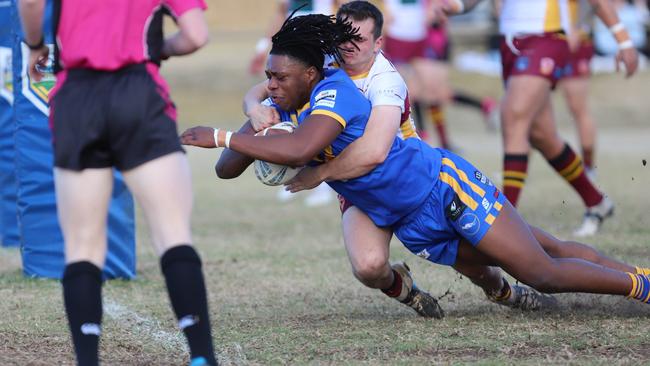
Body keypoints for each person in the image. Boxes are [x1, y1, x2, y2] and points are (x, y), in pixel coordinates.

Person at [181, 13, 650, 317]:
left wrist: (223, 134)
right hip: (409, 220)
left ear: (309, 74)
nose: (272, 85)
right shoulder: (287, 96)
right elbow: (227, 169)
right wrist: (251, 119)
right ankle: (509, 289)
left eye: (279, 79)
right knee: (537, 250)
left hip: (442, 188)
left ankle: (641, 285)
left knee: (542, 269)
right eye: (268, 79)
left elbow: (302, 149)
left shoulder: (336, 94)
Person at [242, 1, 554, 315]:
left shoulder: (384, 79)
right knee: (368, 266)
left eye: (358, 38)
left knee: (477, 260)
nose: (348, 45)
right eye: (342, 36)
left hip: (404, 178)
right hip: (357, 187)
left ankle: (505, 289)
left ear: (378, 43)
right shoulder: (325, 65)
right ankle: (407, 291)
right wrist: (253, 105)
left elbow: (375, 151)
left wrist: (320, 174)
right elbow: (273, 83)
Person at [19, 1, 218, 365]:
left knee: (82, 246)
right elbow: (196, 35)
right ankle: (202, 356)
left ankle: (88, 360)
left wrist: (35, 46)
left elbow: (30, 3)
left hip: (76, 97)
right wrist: (160, 48)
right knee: (172, 233)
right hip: (138, 92)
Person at [438, 0, 639, 237]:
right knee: (542, 135)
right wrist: (458, 6)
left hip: (546, 37)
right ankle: (596, 201)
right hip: (510, 41)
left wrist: (624, 40)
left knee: (512, 116)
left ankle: (504, 221)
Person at [248, 1, 340, 207]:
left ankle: (323, 185)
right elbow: (281, 13)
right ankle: (289, 176)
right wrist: (263, 47)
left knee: (319, 120)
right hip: (292, 54)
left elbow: (344, 10)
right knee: (294, 116)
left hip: (320, 55)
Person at [561, 0, 598, 179]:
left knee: (578, 108)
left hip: (575, 41)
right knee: (528, 109)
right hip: (544, 39)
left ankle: (589, 168)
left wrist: (577, 26)